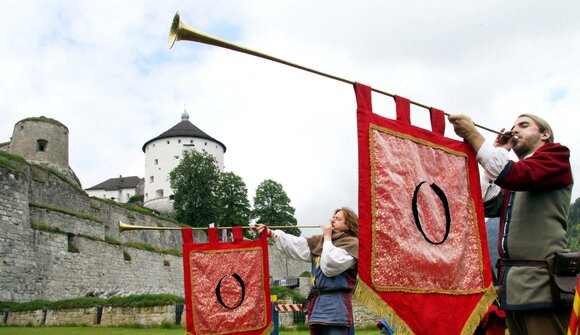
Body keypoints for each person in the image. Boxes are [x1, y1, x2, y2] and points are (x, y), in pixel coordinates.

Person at [448, 113, 574, 335]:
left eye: (524, 125)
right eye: (514, 126)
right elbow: (486, 202)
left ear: (545, 134)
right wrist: (500, 150)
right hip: (515, 289)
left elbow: (513, 174)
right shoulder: (520, 174)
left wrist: (473, 135)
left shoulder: (556, 155)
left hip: (544, 286)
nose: (515, 130)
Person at [255, 207, 359, 335]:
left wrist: (327, 237)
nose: (332, 220)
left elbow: (330, 266)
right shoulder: (320, 242)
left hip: (336, 305)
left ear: (348, 225)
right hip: (317, 305)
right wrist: (272, 234)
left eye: (338, 219)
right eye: (333, 217)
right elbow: (296, 244)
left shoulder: (352, 244)